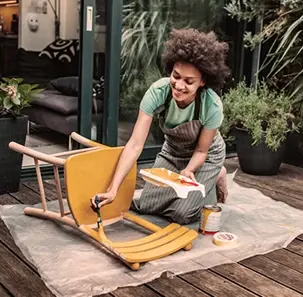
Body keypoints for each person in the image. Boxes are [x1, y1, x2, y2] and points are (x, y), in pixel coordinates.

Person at [92, 28, 231, 225]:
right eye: (176, 76)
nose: (179, 86)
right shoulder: (158, 92)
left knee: (183, 214)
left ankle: (216, 175)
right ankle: (199, 187)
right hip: (172, 152)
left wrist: (189, 170)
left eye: (188, 81)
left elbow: (201, 150)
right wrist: (113, 188)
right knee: (147, 204)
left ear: (202, 81)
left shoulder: (212, 105)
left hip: (206, 157)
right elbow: (134, 145)